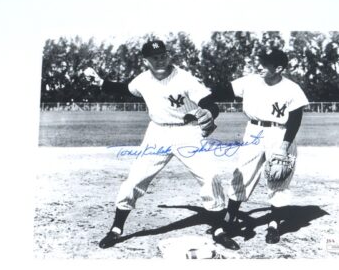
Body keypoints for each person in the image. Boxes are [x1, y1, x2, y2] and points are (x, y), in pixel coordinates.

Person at [83, 39, 233, 249]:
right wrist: (101, 82)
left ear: (168, 55)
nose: (160, 59)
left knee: (210, 178)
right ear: (146, 61)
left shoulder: (184, 78)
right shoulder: (142, 80)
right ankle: (116, 229)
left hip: (187, 133)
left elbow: (208, 102)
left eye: (163, 55)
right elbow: (127, 89)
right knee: (135, 179)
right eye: (154, 57)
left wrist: (209, 112)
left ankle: (218, 230)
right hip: (157, 132)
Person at [214, 49, 309, 248]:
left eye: (265, 64)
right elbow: (222, 90)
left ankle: (274, 224)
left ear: (279, 68)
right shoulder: (249, 81)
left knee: (278, 179)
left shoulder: (292, 89)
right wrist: (201, 97)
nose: (259, 67)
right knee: (241, 175)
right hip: (254, 131)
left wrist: (284, 147)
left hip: (281, 133)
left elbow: (295, 120)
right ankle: (228, 222)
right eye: (260, 62)